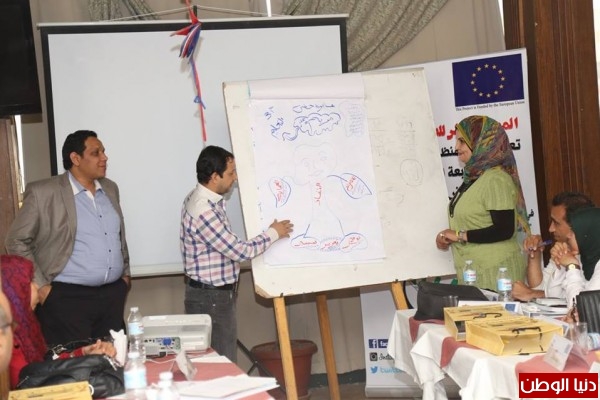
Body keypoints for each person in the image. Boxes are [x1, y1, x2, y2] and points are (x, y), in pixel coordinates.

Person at [4, 130, 130, 347]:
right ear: (75, 158)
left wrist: (125, 276)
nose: (104, 157)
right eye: (96, 153)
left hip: (112, 297)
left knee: (114, 361)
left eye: (103, 151)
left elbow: (118, 235)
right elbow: (15, 240)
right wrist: (41, 286)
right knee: (74, 364)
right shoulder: (44, 192)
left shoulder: (110, 188)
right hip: (67, 299)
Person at [180, 145, 293, 361]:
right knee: (223, 364)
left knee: (215, 363)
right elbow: (240, 251)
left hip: (212, 296)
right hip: (211, 299)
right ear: (215, 177)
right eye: (231, 173)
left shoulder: (203, 199)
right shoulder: (203, 210)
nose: (236, 178)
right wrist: (273, 233)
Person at [435, 115, 530, 290]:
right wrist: (446, 236)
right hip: (476, 272)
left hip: (498, 274)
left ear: (482, 143)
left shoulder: (496, 179)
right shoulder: (473, 178)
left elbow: (504, 229)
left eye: (462, 141)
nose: (456, 147)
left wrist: (459, 235)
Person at [1, 254, 116, 389]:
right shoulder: (7, 337)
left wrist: (83, 353)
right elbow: (31, 381)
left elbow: (45, 368)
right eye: (30, 281)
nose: (36, 286)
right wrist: (85, 362)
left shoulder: (27, 328)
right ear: (13, 290)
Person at [512, 191, 595, 301]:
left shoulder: (593, 252)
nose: (551, 229)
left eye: (556, 223)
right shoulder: (564, 247)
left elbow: (584, 301)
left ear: (576, 224)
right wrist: (535, 255)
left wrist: (532, 294)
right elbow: (544, 290)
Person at [537, 207, 600, 307]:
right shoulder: (583, 256)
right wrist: (562, 261)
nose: (568, 235)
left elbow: (581, 308)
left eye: (574, 231)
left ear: (590, 234)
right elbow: (554, 297)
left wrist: (572, 267)